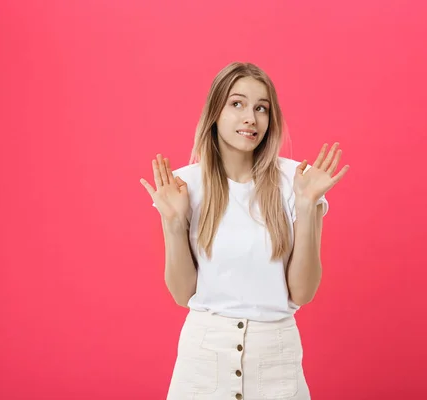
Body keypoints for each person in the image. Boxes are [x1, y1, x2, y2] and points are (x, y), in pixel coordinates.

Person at [140, 62, 349, 400]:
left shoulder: (297, 181)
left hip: (277, 365)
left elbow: (302, 292)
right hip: (202, 366)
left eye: (261, 108)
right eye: (237, 104)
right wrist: (175, 223)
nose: (251, 117)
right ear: (215, 112)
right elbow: (182, 294)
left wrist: (308, 205)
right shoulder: (184, 185)